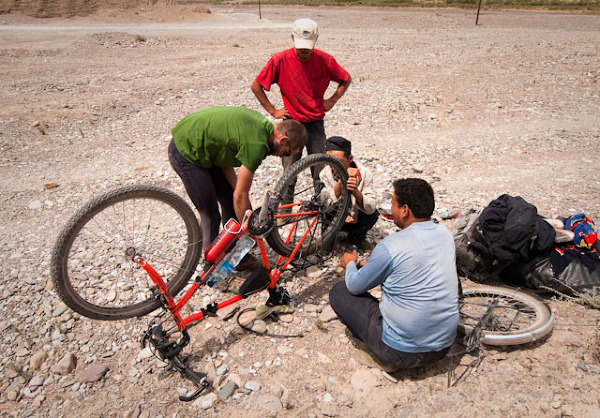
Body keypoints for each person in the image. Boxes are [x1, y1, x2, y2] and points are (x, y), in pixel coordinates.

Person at [329, 178, 459, 372]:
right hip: (443, 347)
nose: (391, 209)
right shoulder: (445, 235)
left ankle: (384, 355)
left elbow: (355, 286)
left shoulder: (391, 245)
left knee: (340, 291)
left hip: (399, 351)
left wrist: (349, 264)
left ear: (405, 210)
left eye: (393, 204)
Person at [168, 106, 307, 256]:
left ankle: (233, 253)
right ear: (283, 140)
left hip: (205, 148)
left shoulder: (262, 126)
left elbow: (225, 154)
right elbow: (240, 196)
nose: (282, 157)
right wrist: (249, 233)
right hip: (185, 149)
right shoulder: (257, 146)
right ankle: (210, 266)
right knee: (210, 214)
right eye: (286, 153)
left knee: (230, 201)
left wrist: (244, 209)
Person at [250, 18, 352, 179]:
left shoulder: (325, 60)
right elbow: (256, 85)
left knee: (320, 173)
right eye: (301, 47)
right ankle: (287, 204)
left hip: (316, 125)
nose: (304, 51)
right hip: (290, 124)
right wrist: (273, 111)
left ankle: (321, 203)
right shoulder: (280, 60)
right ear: (292, 38)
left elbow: (346, 79)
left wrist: (332, 100)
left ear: (316, 39)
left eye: (307, 47)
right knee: (289, 173)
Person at [319, 136, 379, 249]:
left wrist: (356, 192)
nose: (333, 166)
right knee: (322, 211)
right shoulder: (325, 174)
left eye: (339, 162)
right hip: (335, 217)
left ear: (350, 158)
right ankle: (330, 238)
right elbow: (324, 206)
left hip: (355, 219)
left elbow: (371, 207)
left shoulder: (365, 173)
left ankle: (356, 237)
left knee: (374, 214)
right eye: (330, 161)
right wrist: (339, 185)